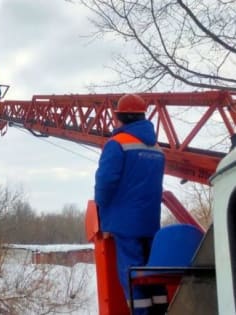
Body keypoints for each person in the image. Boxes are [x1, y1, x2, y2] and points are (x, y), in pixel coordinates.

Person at [94, 94, 167, 315]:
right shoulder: (157, 148)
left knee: (131, 272)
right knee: (153, 271)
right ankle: (162, 311)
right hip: (150, 221)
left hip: (124, 223)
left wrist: (101, 210)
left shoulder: (116, 144)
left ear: (120, 117)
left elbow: (105, 182)